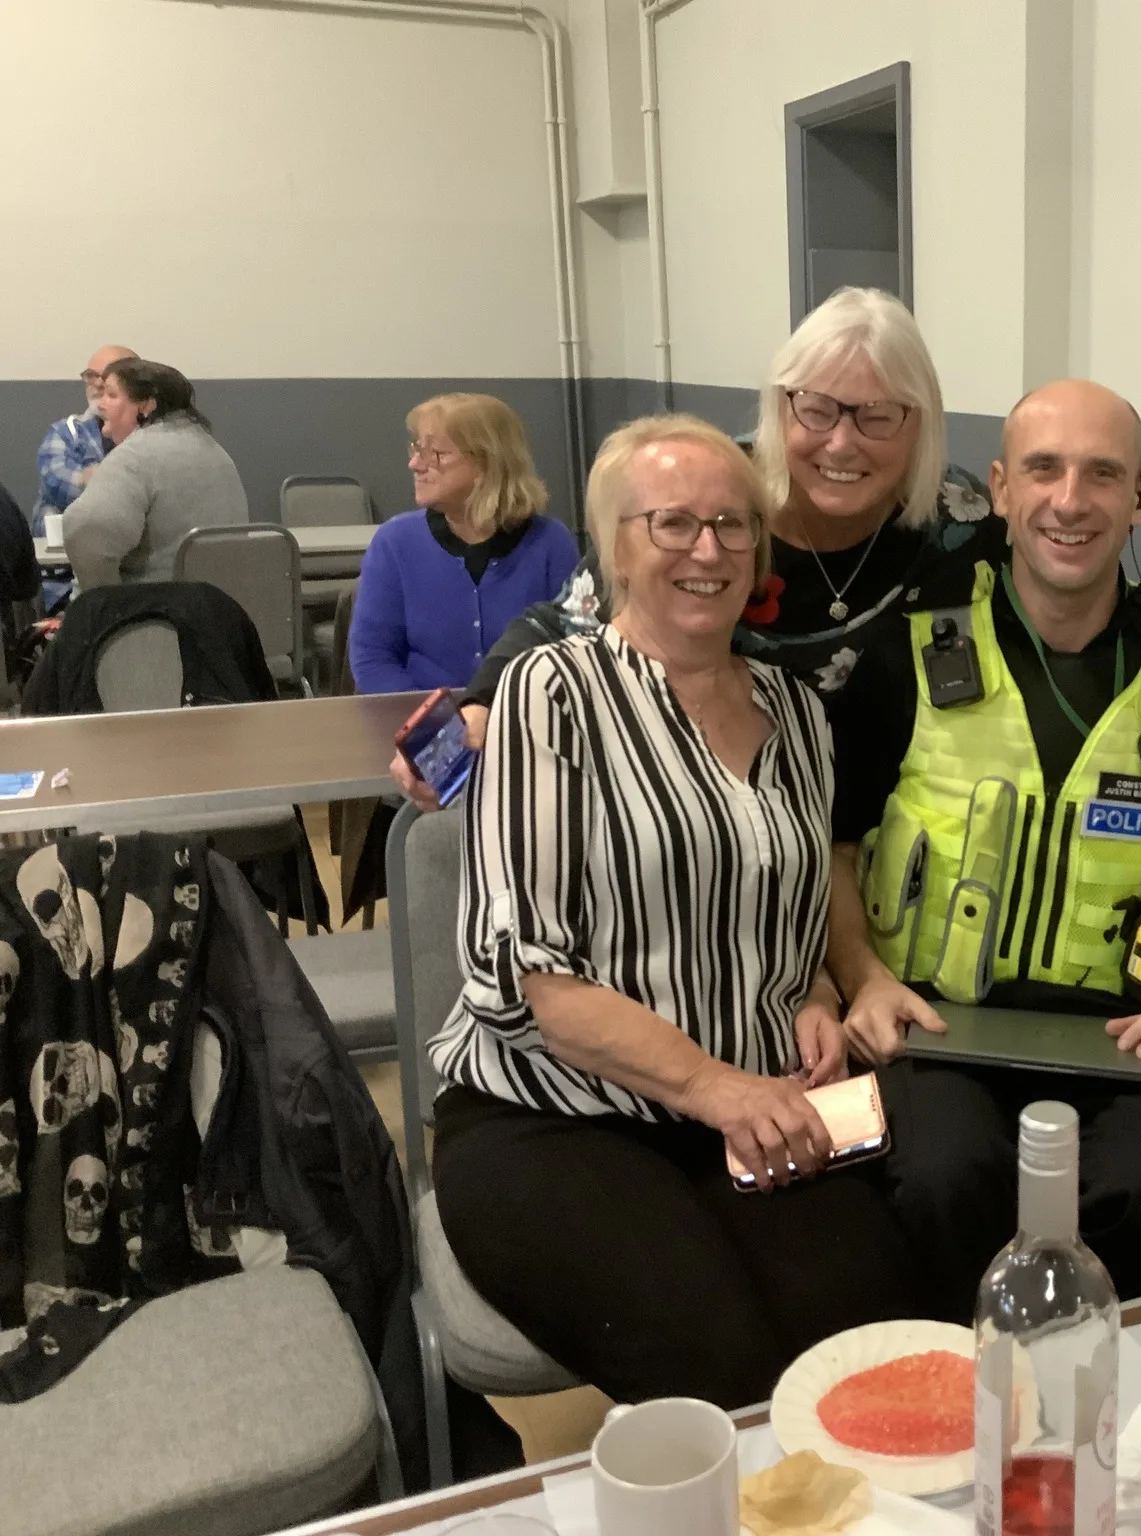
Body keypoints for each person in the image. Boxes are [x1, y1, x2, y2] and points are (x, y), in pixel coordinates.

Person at [427, 414, 929, 1408]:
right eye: (672, 524)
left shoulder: (797, 715)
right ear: (614, 545)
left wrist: (818, 996)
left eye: (733, 525)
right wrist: (713, 1086)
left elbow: (783, 926)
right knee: (723, 1370)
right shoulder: (548, 694)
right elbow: (528, 979)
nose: (708, 550)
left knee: (875, 1348)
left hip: (750, 1105)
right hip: (552, 1113)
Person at [824, 379, 1141, 1317]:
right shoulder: (906, 653)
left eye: (1103, 474)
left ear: (1140, 499)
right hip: (935, 1027)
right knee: (942, 1180)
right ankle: (954, 1413)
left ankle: (1113, 1424)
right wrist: (861, 977)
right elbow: (834, 847)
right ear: (1002, 489)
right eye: (1044, 470)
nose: (1070, 500)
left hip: (1133, 1042)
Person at [388, 287, 1005, 809]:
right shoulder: (715, 492)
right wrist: (480, 706)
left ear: (919, 422)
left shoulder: (958, 520)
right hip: (706, 812)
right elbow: (567, 616)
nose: (841, 444)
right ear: (781, 408)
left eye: (875, 415)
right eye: (815, 410)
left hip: (892, 822)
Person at [347, 394, 579, 694]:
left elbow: (573, 653)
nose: (415, 464)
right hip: (423, 725)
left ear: (486, 462)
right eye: (417, 448)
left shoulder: (551, 543)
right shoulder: (395, 542)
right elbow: (372, 660)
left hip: (525, 722)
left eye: (436, 453)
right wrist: (442, 726)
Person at [63, 360, 248, 589]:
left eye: (111, 395)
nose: (101, 405)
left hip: (155, 613)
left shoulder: (134, 457)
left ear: (146, 406)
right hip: (224, 612)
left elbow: (86, 531)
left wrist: (104, 599)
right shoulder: (217, 453)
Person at [31, 344, 135, 537]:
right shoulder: (66, 432)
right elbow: (56, 484)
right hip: (64, 559)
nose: (97, 384)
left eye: (107, 376)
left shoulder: (151, 435)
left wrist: (94, 479)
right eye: (90, 375)